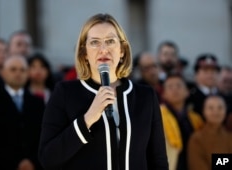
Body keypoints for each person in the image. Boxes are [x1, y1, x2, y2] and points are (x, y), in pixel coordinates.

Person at [38, 13, 168, 170]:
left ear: (122, 51)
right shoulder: (65, 93)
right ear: (84, 53)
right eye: (94, 42)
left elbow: (158, 159)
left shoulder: (145, 96)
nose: (103, 49)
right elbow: (48, 158)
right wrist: (87, 119)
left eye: (110, 41)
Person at [0, 56, 44, 170]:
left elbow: (43, 137)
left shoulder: (38, 104)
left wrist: (32, 161)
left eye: (22, 70)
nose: (18, 73)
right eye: (13, 69)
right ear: (3, 72)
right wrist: (16, 162)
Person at [160, 74, 203, 170]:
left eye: (179, 86)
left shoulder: (195, 118)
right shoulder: (156, 116)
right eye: (170, 87)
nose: (175, 90)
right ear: (164, 94)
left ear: (187, 92)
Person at [187, 95, 232, 170]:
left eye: (220, 108)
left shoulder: (229, 136)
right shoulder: (196, 139)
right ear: (204, 111)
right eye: (211, 108)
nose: (216, 112)